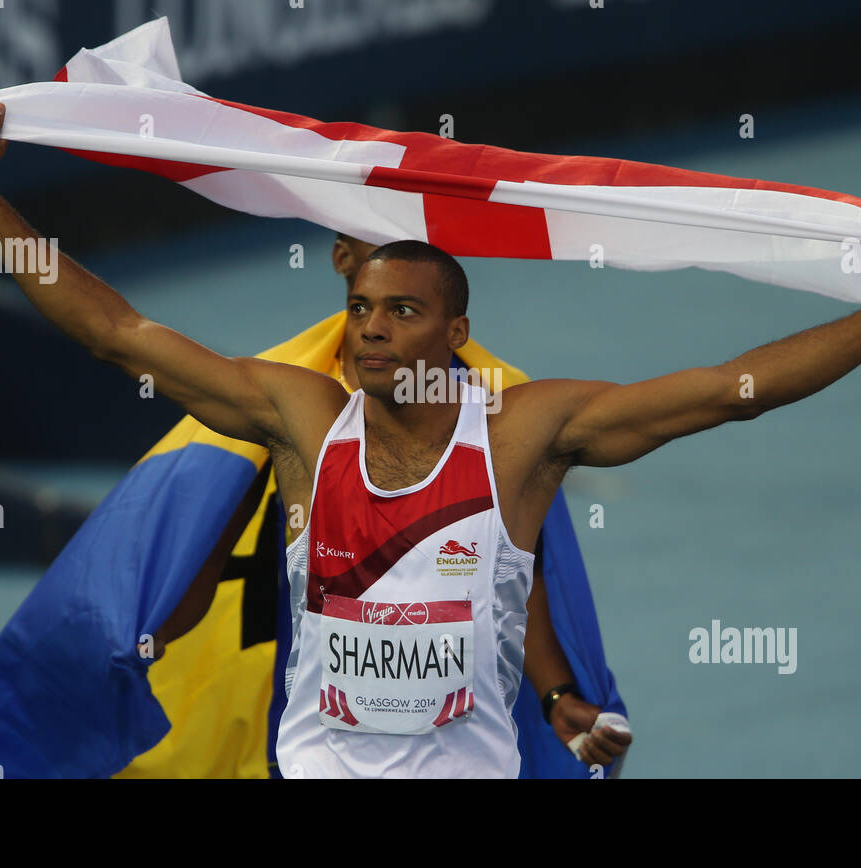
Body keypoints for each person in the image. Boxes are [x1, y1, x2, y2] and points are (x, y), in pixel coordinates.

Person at [0, 104, 861, 777]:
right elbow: (116, 331)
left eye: (400, 309)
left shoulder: (525, 435)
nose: (372, 328)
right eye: (359, 309)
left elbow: (727, 392)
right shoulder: (302, 423)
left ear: (455, 331)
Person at [141, 230, 633, 771]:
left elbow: (513, 574)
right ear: (343, 257)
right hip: (310, 706)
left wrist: (555, 691)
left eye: (404, 305)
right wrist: (145, 635)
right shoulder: (293, 402)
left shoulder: (497, 412)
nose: (377, 322)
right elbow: (211, 537)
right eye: (378, 239)